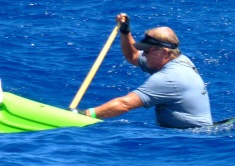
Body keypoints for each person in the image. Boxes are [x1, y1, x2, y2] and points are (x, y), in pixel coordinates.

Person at [75, 13, 213, 129]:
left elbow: (125, 104)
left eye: (147, 50)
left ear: (164, 51)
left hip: (189, 139)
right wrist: (125, 31)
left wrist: (83, 115)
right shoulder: (179, 59)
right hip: (189, 136)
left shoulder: (169, 78)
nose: (143, 54)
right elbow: (133, 56)